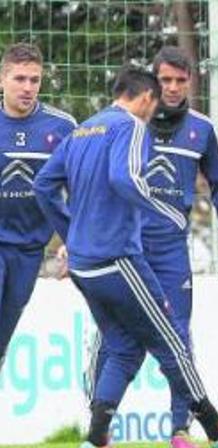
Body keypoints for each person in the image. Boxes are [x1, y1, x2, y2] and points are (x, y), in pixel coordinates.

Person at [33, 66, 218, 448]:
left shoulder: (84, 129)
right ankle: (216, 427)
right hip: (117, 258)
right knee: (171, 339)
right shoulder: (132, 127)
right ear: (144, 99)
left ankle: (97, 440)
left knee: (124, 347)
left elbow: (42, 185)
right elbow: (125, 180)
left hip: (86, 265)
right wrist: (165, 210)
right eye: (154, 103)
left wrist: (72, 233)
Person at [84, 46, 218, 448]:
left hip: (172, 250)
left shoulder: (202, 129)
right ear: (153, 83)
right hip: (126, 245)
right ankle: (98, 427)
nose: (172, 88)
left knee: (178, 334)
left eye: (180, 80)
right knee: (116, 338)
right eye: (165, 81)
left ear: (190, 81)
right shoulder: (126, 126)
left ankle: (180, 429)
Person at [0, 43, 76, 371]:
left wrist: (74, 240)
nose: (28, 87)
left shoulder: (62, 128)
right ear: (2, 79)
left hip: (29, 249)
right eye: (19, 79)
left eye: (35, 80)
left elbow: (81, 189)